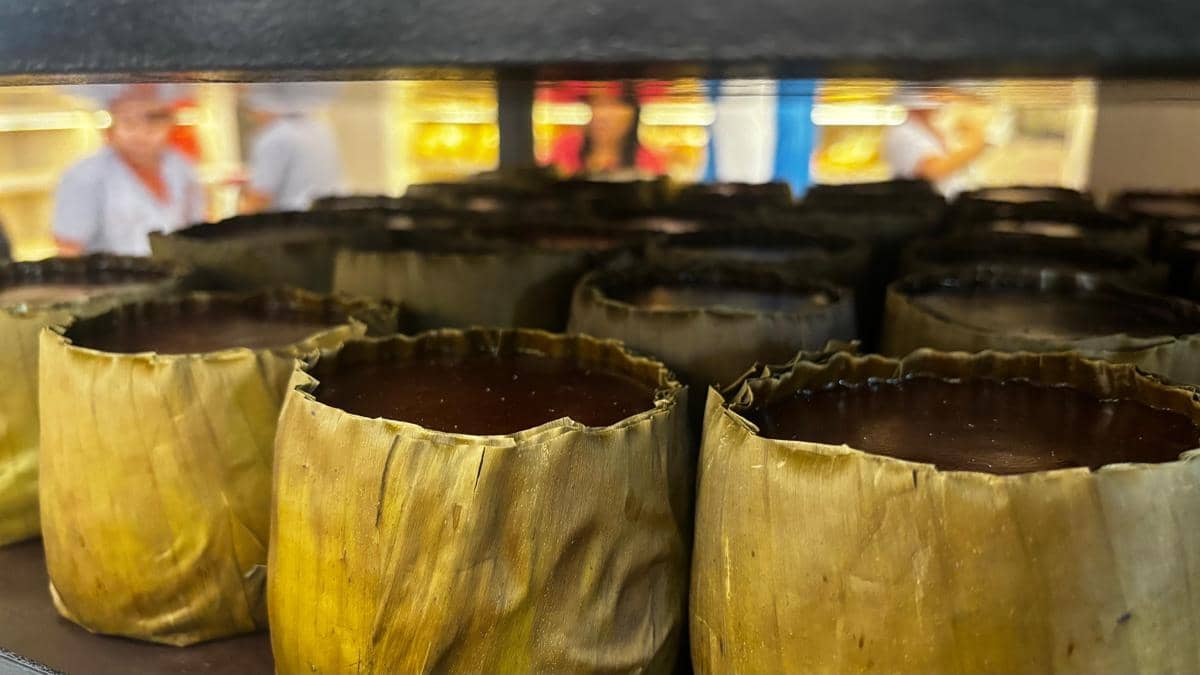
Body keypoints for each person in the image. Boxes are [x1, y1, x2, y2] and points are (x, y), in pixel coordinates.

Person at [53, 84, 205, 257]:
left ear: (170, 122)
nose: (141, 133)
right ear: (112, 125)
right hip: (113, 282)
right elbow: (68, 251)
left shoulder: (182, 167)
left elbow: (196, 236)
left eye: (153, 120)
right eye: (128, 122)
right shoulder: (84, 176)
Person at [241, 83, 344, 213]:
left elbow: (260, 198)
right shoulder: (320, 128)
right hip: (328, 216)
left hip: (295, 222)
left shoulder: (275, 137)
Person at [547, 82, 665, 179]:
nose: (602, 114)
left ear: (633, 113)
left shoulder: (649, 161)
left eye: (615, 104)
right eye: (596, 102)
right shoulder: (564, 150)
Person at [883, 89, 987, 198]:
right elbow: (933, 171)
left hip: (943, 203)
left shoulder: (929, 125)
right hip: (922, 205)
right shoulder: (903, 132)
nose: (942, 100)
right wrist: (974, 148)